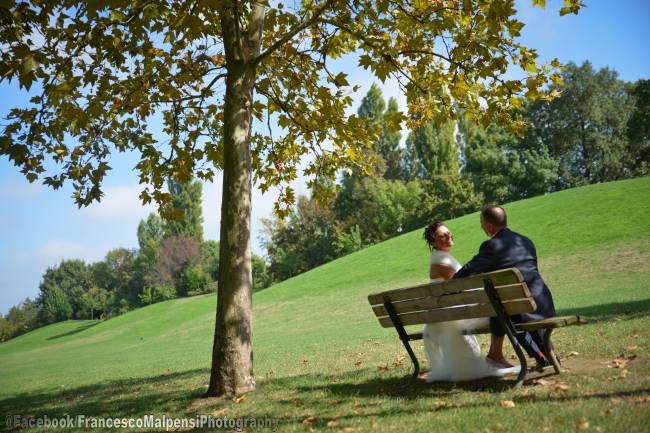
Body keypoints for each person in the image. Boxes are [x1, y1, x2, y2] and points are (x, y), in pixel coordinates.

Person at [453, 205, 556, 371]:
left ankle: (541, 357)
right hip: (542, 300)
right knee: (508, 307)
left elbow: (468, 271)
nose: (481, 226)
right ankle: (548, 356)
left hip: (518, 309)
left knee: (504, 310)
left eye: (481, 222)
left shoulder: (491, 246)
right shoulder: (526, 241)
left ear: (489, 225)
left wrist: (452, 283)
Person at [421, 221, 519, 382]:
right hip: (452, 316)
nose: (448, 236)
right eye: (442, 235)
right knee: (500, 309)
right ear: (433, 242)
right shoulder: (442, 261)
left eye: (449, 233)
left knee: (497, 308)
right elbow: (464, 288)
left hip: (447, 313)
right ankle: (496, 355)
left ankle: (496, 356)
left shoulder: (439, 258)